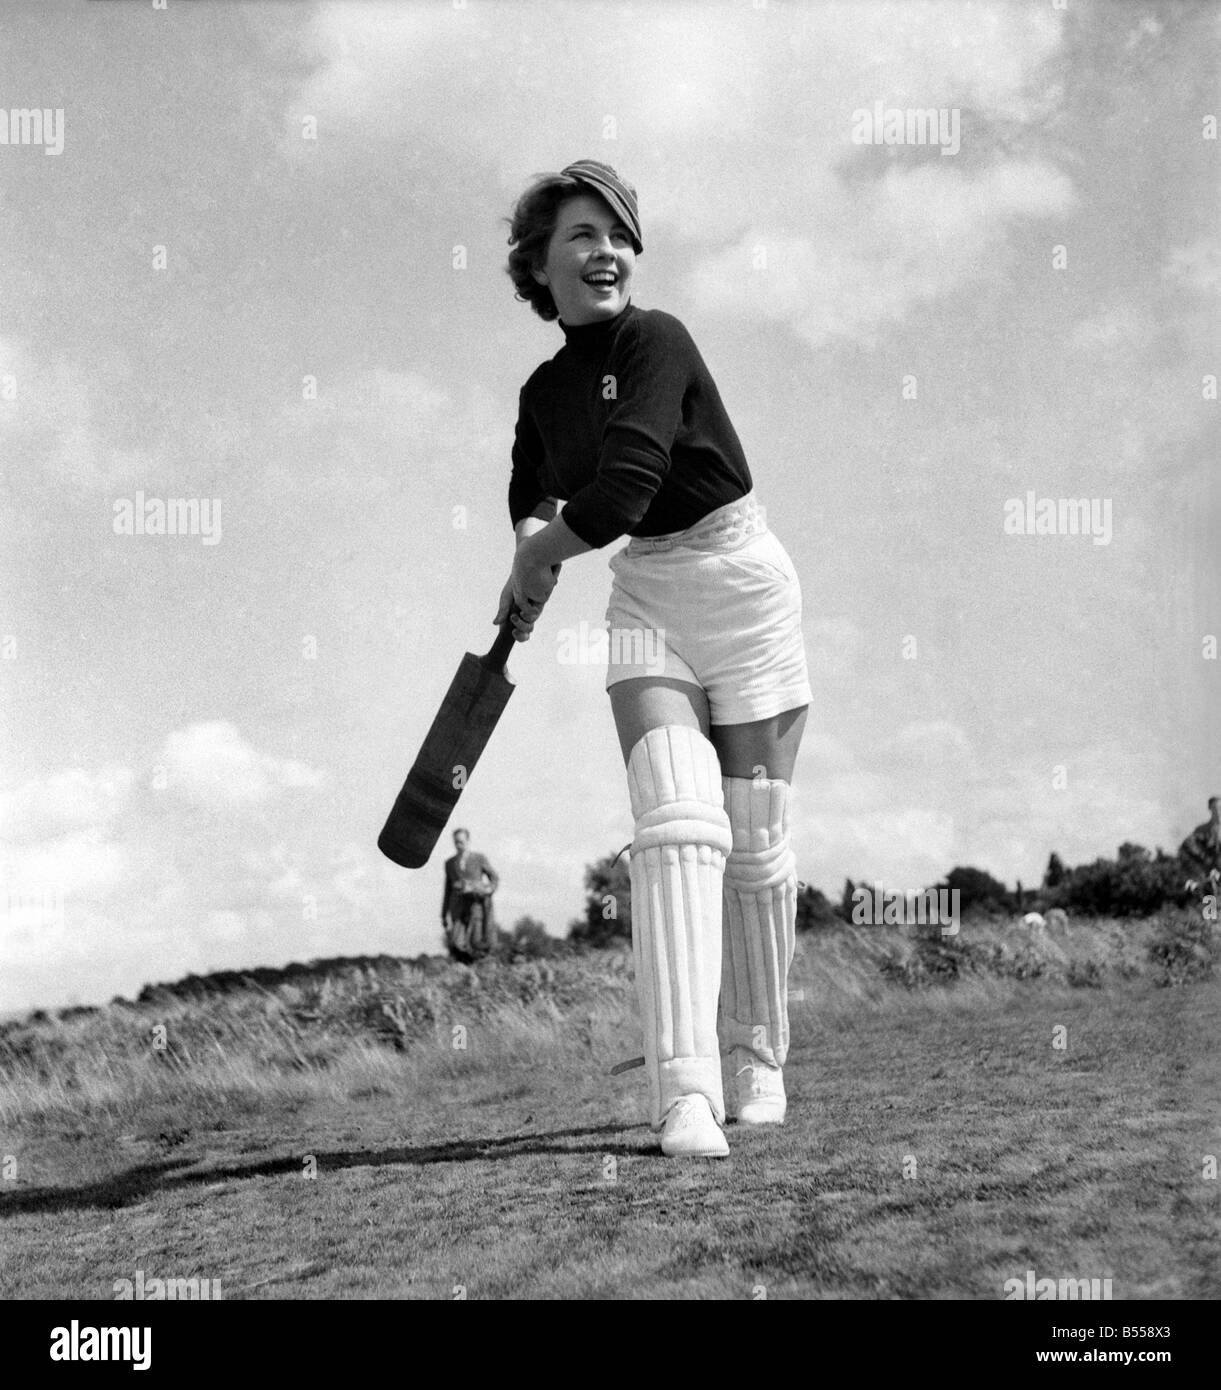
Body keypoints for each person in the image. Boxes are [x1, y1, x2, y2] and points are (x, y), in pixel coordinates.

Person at [497, 160, 811, 1157]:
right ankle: (686, 1094)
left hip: (742, 578)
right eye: (583, 235)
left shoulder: (656, 340)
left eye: (621, 236)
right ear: (537, 265)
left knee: (756, 845)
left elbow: (628, 481)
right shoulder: (543, 392)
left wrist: (546, 548)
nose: (608, 252)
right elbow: (535, 496)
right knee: (676, 822)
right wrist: (529, 552)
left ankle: (759, 1055)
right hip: (647, 595)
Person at [441, 828, 499, 963]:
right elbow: (447, 890)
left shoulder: (479, 859)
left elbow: (494, 878)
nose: (458, 845)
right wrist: (444, 914)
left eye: (461, 842)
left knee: (477, 942)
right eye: (456, 842)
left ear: (468, 841)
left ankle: (478, 971)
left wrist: (487, 890)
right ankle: (466, 970)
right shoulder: (449, 863)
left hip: (476, 905)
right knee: (456, 943)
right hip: (457, 908)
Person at [1179, 796, 1221, 890]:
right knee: (1211, 902)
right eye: (1215, 808)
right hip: (1211, 877)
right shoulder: (1202, 830)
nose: (1218, 811)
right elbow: (1187, 844)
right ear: (1210, 809)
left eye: (1220, 808)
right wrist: (1203, 858)